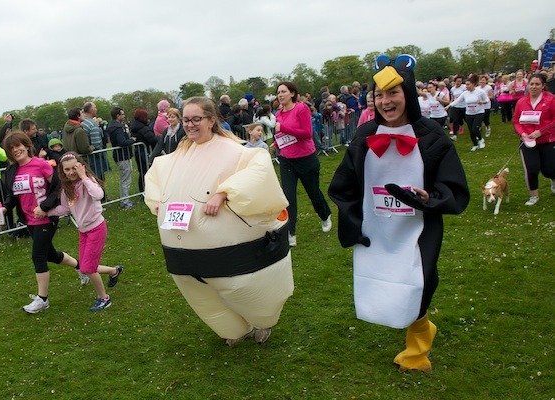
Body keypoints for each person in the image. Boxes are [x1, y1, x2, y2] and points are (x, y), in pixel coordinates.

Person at [328, 54, 470, 373]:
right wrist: (353, 221)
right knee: (381, 286)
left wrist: (429, 197)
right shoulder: (364, 135)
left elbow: (455, 189)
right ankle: (414, 330)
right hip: (376, 230)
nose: (385, 100)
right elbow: (342, 185)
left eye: (393, 92)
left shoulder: (432, 137)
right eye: (379, 94)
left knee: (420, 283)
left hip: (417, 230)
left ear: (407, 94)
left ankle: (417, 351)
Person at [144, 96, 293, 346]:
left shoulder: (233, 151)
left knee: (242, 286)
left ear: (212, 120)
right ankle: (232, 328)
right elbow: (156, 174)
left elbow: (258, 168)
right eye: (186, 119)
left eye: (196, 119)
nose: (189, 125)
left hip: (230, 250)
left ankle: (261, 320)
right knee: (198, 292)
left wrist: (224, 192)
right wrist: (158, 200)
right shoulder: (179, 154)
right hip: (182, 251)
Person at [1, 131, 85, 314]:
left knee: (38, 256)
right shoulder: (11, 171)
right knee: (50, 255)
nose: (16, 150)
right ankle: (81, 268)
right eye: (12, 148)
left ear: (27, 145)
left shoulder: (40, 164)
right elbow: (12, 195)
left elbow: (58, 187)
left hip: (46, 218)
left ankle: (43, 299)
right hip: (29, 219)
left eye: (18, 145)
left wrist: (45, 207)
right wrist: (6, 207)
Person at [41, 152, 124, 311]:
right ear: (62, 171)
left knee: (87, 268)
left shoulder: (88, 181)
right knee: (86, 266)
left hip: (96, 228)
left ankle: (104, 298)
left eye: (74, 168)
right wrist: (46, 213)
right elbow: (65, 208)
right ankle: (114, 271)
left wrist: (84, 176)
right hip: (83, 231)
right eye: (67, 170)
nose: (71, 172)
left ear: (81, 167)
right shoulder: (67, 189)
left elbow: (99, 194)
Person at [274, 81, 332, 247]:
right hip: (286, 160)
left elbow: (306, 134)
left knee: (313, 192)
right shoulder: (278, 113)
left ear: (292, 93)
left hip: (306, 159)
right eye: (278, 92)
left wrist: (283, 128)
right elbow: (282, 135)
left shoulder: (301, 109)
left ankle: (324, 215)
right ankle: (290, 233)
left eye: (283, 91)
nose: (280, 95)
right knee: (288, 197)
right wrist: (277, 143)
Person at [512, 73, 555, 206]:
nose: (534, 87)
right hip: (528, 142)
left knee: (549, 169)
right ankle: (533, 196)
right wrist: (522, 133)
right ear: (528, 85)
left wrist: (541, 132)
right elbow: (516, 121)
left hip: (548, 140)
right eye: (531, 84)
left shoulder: (551, 100)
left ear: (543, 86)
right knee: (532, 169)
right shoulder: (521, 102)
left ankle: (553, 178)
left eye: (537, 84)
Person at [445, 74, 490, 152]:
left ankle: (480, 139)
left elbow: (487, 100)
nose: (466, 86)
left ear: (473, 84)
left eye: (468, 84)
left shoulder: (480, 92)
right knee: (471, 131)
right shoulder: (465, 93)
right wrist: (449, 106)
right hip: (469, 114)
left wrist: (482, 102)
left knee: (475, 129)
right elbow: (457, 101)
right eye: (466, 85)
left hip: (479, 113)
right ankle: (475, 145)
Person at [107, 107, 136, 209]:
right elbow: (122, 142)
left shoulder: (113, 126)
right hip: (122, 155)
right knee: (125, 179)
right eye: (122, 114)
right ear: (117, 116)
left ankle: (125, 199)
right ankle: (125, 201)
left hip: (120, 155)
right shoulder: (118, 128)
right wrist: (132, 140)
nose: (124, 116)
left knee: (125, 178)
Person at [130, 108, 158, 193]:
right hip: (145, 152)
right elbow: (152, 139)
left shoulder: (134, 127)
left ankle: (143, 190)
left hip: (139, 152)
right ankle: (147, 191)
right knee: (147, 172)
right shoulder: (144, 128)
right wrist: (161, 139)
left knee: (142, 172)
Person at [81, 102, 106, 181]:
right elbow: (97, 143)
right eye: (95, 107)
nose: (96, 109)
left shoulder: (82, 122)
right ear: (91, 110)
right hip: (94, 156)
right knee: (98, 179)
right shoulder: (92, 124)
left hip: (84, 156)